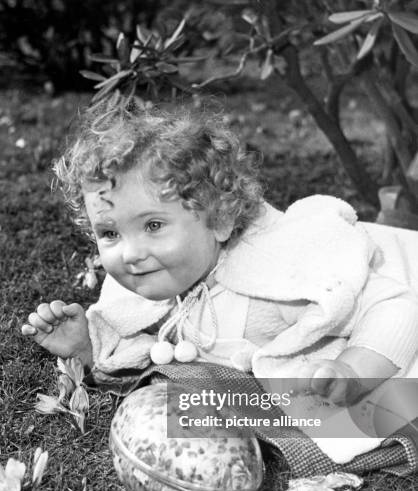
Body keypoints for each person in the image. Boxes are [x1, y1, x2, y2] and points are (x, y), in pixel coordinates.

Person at [21, 99, 418, 457]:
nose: (130, 253)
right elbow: (137, 343)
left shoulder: (279, 280)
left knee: (387, 409)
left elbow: (394, 308)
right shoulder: (160, 280)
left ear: (220, 219)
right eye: (110, 234)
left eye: (154, 225)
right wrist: (87, 348)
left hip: (406, 272)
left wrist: (354, 369)